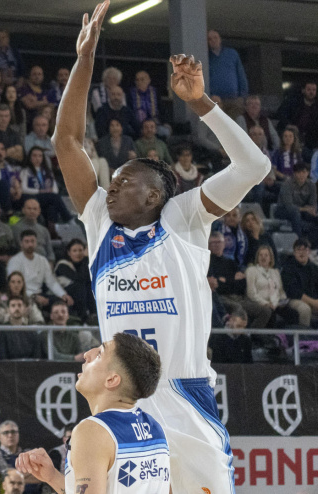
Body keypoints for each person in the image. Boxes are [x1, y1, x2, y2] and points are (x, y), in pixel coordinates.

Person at [52, 4, 268, 490]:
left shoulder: (183, 216)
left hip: (185, 395)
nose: (110, 186)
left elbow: (254, 168)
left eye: (124, 181)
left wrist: (202, 104)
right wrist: (84, 59)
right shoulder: (99, 223)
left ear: (153, 194)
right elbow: (67, 142)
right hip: (124, 402)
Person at [17, 330, 167, 494]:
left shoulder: (92, 431)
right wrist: (52, 477)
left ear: (111, 380)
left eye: (100, 354)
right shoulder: (155, 429)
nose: (87, 355)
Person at [247, 244, 310, 328]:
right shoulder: (252, 271)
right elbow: (251, 293)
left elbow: (281, 291)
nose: (263, 257)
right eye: (260, 255)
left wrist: (282, 301)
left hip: (276, 303)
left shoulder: (275, 272)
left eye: (266, 255)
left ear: (270, 258)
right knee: (271, 314)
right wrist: (266, 303)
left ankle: (291, 339)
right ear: (257, 257)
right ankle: (271, 339)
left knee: (294, 314)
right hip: (261, 303)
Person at [8, 230, 73, 310]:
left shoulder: (42, 260)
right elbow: (13, 286)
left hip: (40, 294)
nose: (30, 244)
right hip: (23, 296)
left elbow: (51, 282)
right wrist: (34, 297)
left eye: (32, 241)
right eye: (26, 241)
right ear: (21, 244)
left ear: (36, 243)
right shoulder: (14, 261)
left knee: (63, 302)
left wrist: (63, 294)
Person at [275, 162, 318, 243]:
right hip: (282, 210)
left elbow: (312, 204)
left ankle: (314, 245)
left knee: (314, 217)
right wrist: (304, 209)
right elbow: (289, 206)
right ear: (294, 174)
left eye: (304, 172)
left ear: (308, 173)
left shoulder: (311, 185)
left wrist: (311, 210)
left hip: (303, 211)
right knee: (295, 213)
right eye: (299, 172)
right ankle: (299, 242)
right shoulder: (287, 184)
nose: (301, 175)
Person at [55, 239, 96, 322]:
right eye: (74, 251)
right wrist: (86, 258)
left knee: (89, 285)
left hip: (80, 293)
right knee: (80, 286)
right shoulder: (62, 265)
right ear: (69, 253)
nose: (78, 253)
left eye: (81, 250)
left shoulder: (83, 265)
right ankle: (84, 317)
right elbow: (80, 278)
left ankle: (93, 314)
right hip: (63, 293)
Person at [207, 30, 248, 106]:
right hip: (215, 99)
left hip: (234, 99)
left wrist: (243, 96)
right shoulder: (205, 56)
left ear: (220, 39)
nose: (213, 40)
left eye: (215, 38)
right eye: (209, 39)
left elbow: (241, 74)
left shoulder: (232, 53)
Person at [281, 238, 318, 323]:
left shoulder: (314, 268)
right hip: (291, 299)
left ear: (309, 252)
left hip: (313, 299)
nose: (302, 252)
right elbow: (293, 291)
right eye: (298, 250)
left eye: (305, 249)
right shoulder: (288, 268)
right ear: (294, 252)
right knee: (304, 309)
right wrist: (313, 302)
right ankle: (303, 336)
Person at [11, 198, 54, 263]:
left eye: (35, 209)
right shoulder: (15, 229)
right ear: (23, 210)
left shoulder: (44, 230)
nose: (32, 211)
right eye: (29, 208)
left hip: (43, 264)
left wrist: (50, 266)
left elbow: (50, 253)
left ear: (39, 211)